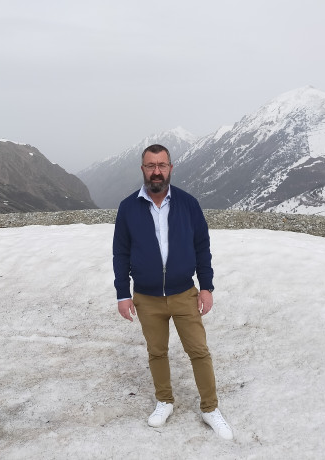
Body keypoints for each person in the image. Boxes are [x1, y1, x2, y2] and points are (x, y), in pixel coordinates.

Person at [112, 144, 233, 440]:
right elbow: (120, 253)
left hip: (183, 294)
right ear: (143, 169)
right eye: (151, 165)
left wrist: (206, 287)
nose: (156, 171)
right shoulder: (128, 207)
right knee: (157, 352)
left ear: (170, 168)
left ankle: (209, 408)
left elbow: (202, 247)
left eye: (162, 165)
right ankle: (164, 401)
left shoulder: (188, 204)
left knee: (199, 351)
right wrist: (122, 293)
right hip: (146, 296)